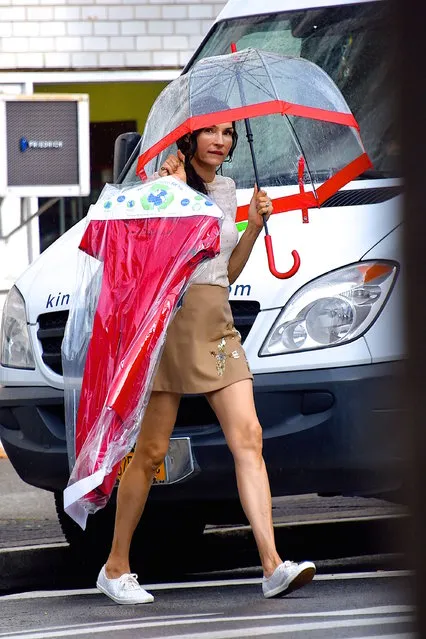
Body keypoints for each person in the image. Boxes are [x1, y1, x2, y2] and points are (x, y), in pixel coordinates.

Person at [96, 120, 316, 605]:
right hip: (172, 324)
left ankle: (272, 566)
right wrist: (169, 187)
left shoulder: (228, 188)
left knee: (249, 437)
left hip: (216, 322)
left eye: (228, 133)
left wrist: (253, 227)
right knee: (151, 452)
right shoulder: (162, 183)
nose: (221, 141)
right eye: (210, 132)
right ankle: (115, 567)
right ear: (188, 139)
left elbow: (223, 270)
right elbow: (146, 255)